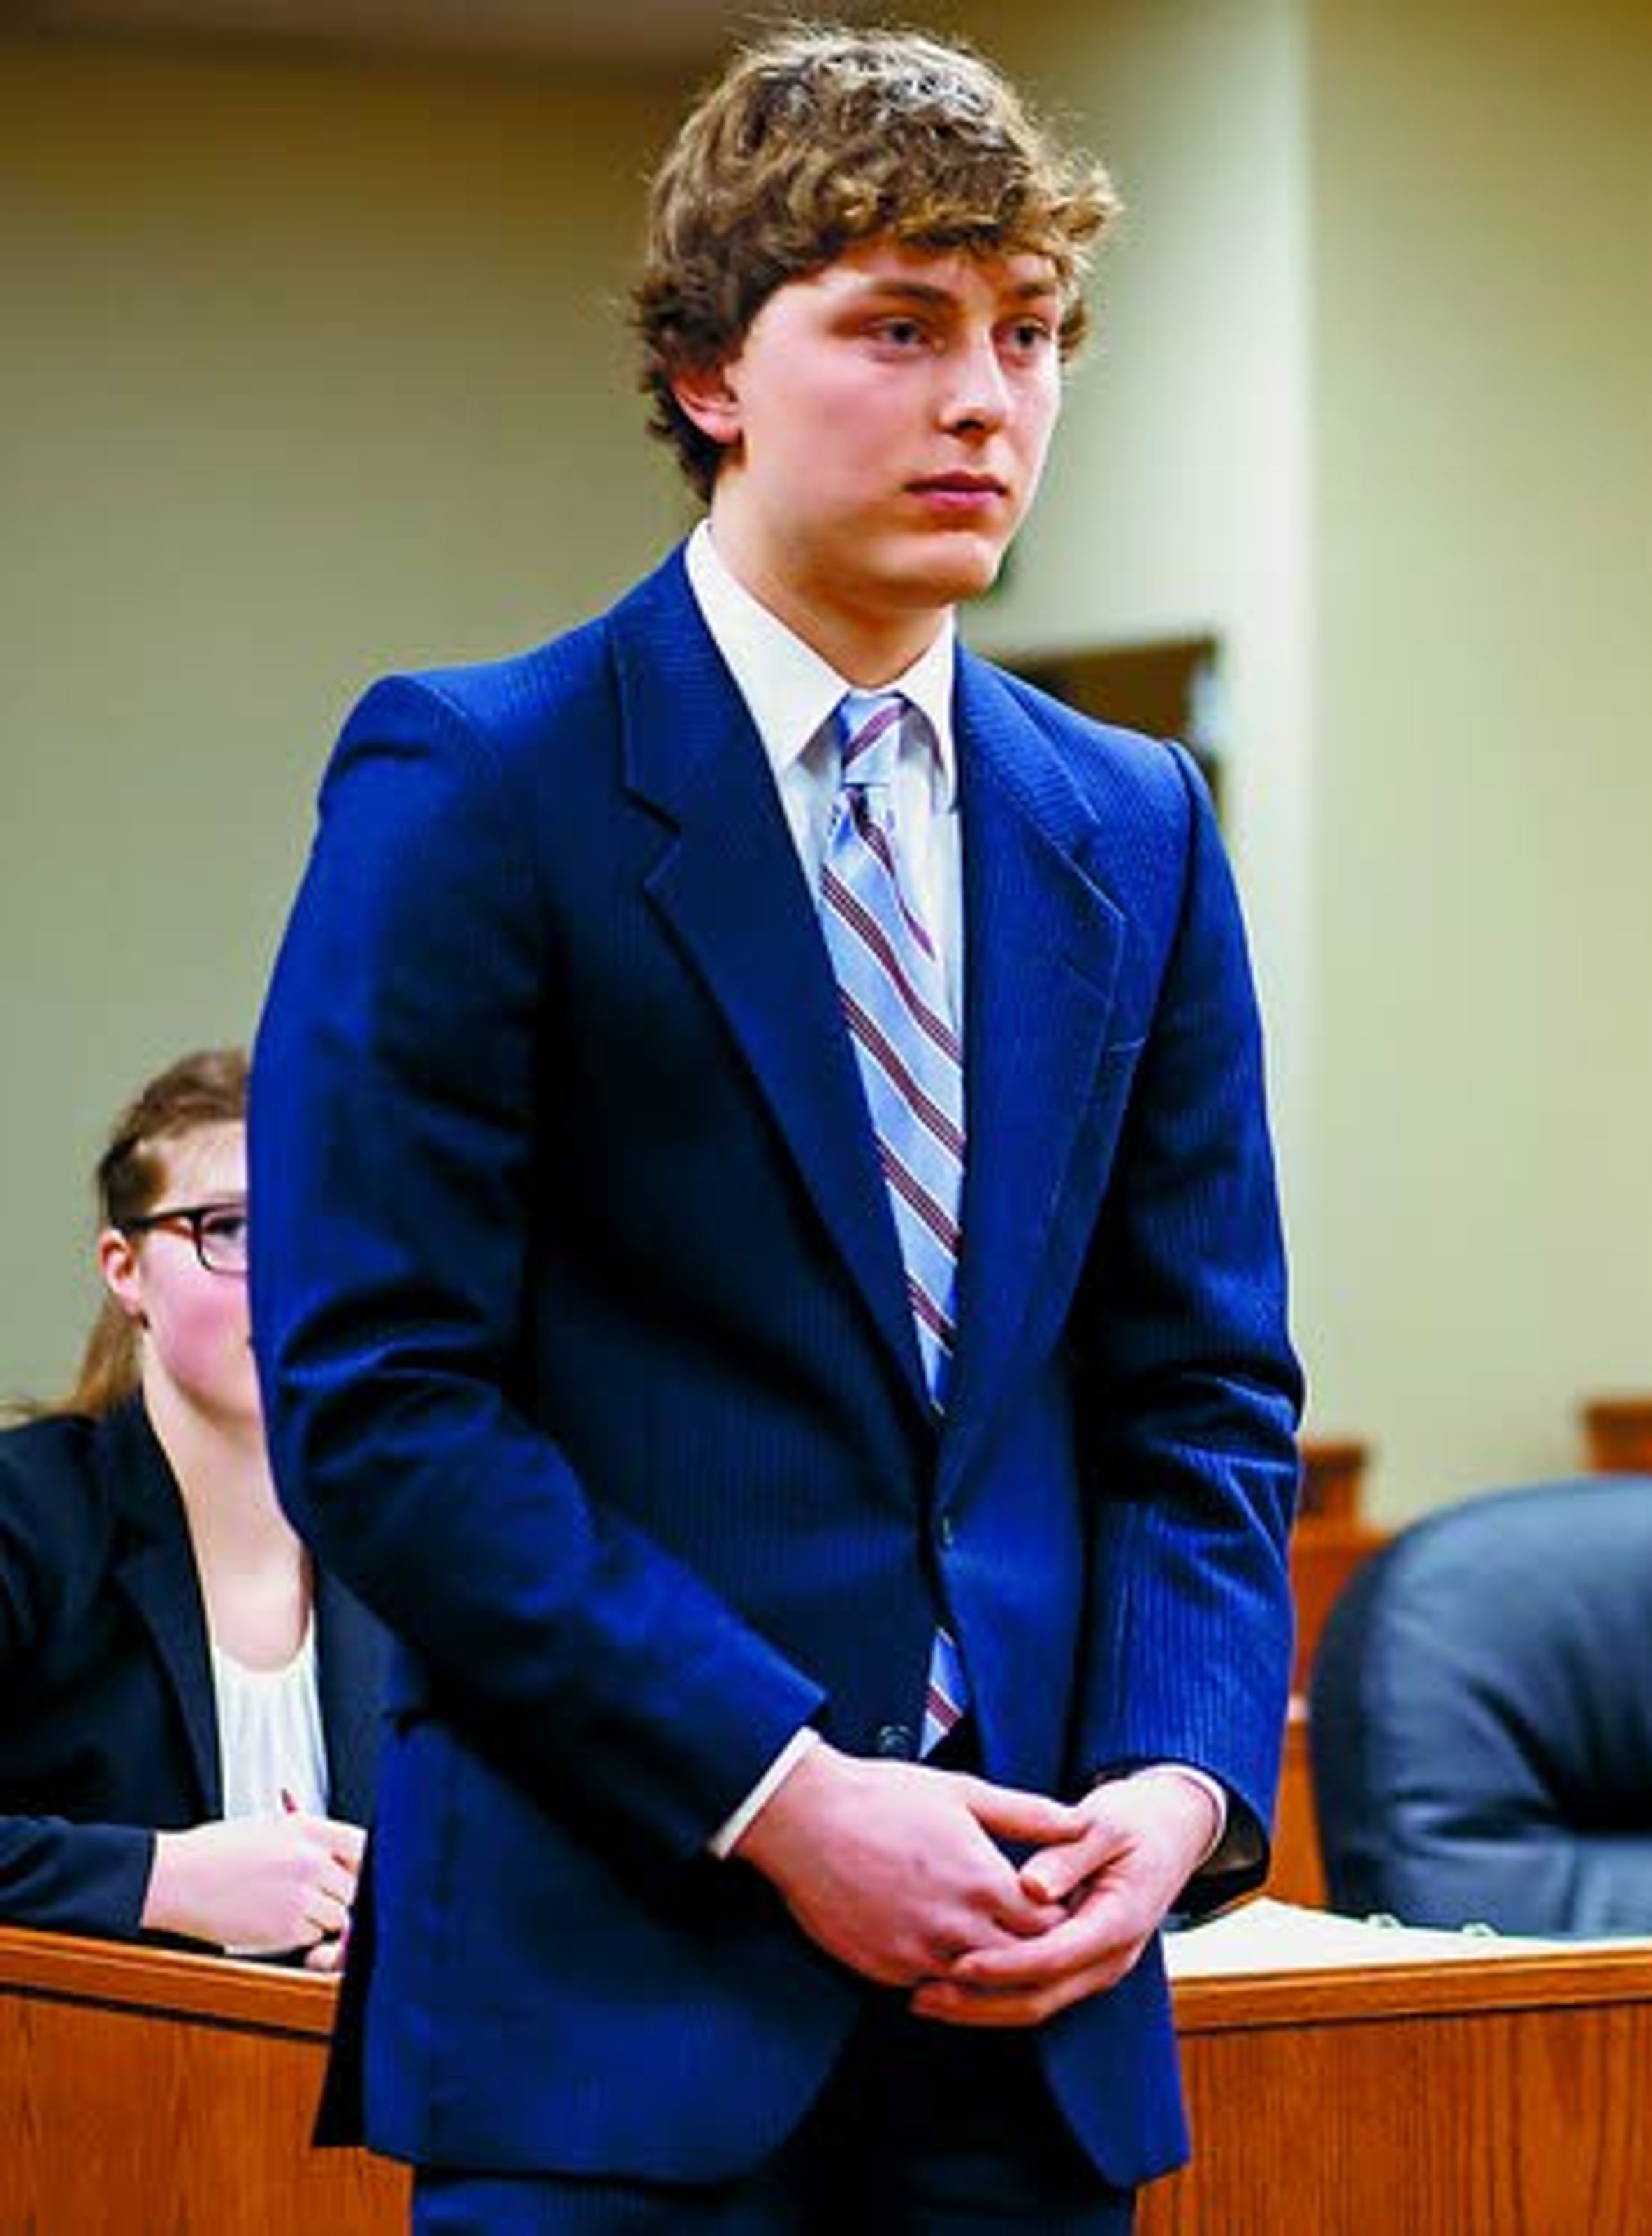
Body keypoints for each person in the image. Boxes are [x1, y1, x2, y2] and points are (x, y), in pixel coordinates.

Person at [250, 24, 1301, 2230]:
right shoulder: (479, 779)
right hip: (615, 2004)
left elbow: (1199, 1388)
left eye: (1028, 335)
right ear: (714, 372)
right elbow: (380, 1402)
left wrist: (1184, 1780)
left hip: (1028, 2011)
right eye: (899, 327)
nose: (984, 398)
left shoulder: (1134, 821)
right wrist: (778, 1787)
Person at [1, 1049, 377, 1965]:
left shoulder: (399, 1544)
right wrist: (164, 1882)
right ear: (124, 1269)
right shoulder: (28, 1511)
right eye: (233, 1232)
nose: (287, 1277)